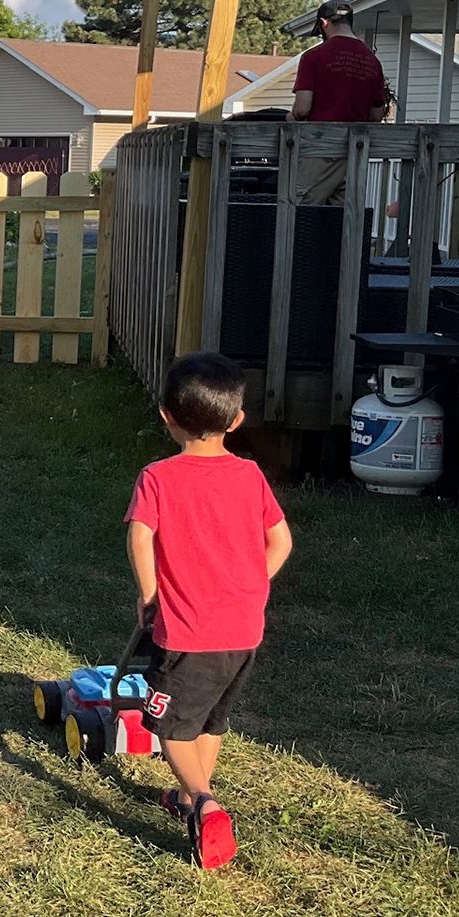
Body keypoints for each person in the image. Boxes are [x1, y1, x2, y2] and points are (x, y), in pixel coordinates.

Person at [124, 351, 294, 869]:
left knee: (172, 726)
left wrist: (149, 594)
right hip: (243, 629)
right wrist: (248, 583)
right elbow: (281, 541)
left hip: (186, 632)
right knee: (213, 717)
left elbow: (139, 535)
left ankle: (202, 798)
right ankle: (188, 796)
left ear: (166, 416)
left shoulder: (159, 477)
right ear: (237, 420)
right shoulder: (249, 475)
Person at [289, 0, 391, 205]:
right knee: (341, 220)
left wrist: (290, 117)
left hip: (319, 148)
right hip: (355, 153)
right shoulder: (372, 62)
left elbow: (301, 109)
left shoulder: (313, 57)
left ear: (324, 23)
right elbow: (375, 116)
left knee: (298, 210)